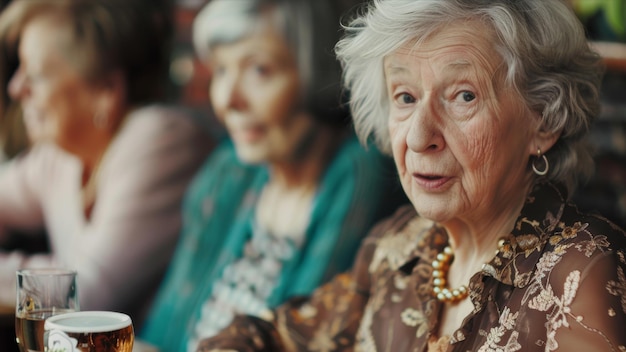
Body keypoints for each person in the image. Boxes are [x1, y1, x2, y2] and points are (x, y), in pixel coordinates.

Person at [195, 0, 626, 351]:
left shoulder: (582, 273)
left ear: (544, 120)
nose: (419, 137)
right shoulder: (401, 248)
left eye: (463, 96)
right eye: (404, 97)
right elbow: (269, 336)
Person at [138, 0, 406, 351]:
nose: (227, 99)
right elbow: (166, 326)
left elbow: (304, 340)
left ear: (320, 72)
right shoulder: (229, 169)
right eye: (220, 70)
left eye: (258, 70)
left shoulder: (359, 173)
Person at [0, 0, 213, 328]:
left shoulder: (161, 138)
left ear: (106, 90)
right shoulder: (61, 155)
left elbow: (85, 295)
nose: (16, 88)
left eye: (36, 75)